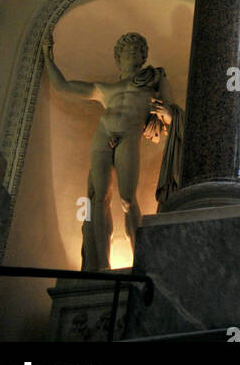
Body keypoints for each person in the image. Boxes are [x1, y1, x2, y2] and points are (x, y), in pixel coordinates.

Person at [42, 30, 179, 270]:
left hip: (129, 135)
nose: (133, 52)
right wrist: (47, 57)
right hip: (103, 135)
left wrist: (167, 114)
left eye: (138, 49)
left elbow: (170, 110)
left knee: (127, 198)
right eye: (128, 50)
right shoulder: (103, 89)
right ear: (119, 58)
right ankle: (98, 265)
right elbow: (61, 86)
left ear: (144, 56)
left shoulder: (154, 77)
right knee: (98, 199)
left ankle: (141, 261)